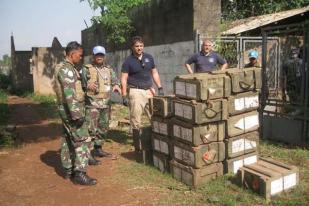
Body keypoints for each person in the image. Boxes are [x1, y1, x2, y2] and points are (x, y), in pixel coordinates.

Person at [54, 41, 96, 185]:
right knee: (82, 139)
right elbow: (69, 94)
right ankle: (80, 173)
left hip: (66, 109)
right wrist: (76, 114)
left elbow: (75, 88)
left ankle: (68, 170)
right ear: (72, 54)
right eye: (79, 55)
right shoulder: (67, 70)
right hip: (71, 109)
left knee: (67, 138)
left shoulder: (68, 68)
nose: (81, 57)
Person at [121, 36, 163, 152]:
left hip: (149, 90)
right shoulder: (128, 61)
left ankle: (156, 142)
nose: (139, 48)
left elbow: (154, 72)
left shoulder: (149, 57)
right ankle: (138, 147)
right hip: (136, 91)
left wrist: (159, 87)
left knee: (154, 116)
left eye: (141, 46)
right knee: (136, 119)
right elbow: (124, 78)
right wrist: (124, 95)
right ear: (132, 47)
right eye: (137, 46)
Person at [82, 45, 120, 161]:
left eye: (101, 55)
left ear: (104, 56)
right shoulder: (86, 68)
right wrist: (87, 85)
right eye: (97, 55)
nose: (99, 57)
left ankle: (98, 149)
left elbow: (115, 81)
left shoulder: (109, 69)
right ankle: (87, 154)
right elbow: (79, 84)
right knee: (91, 129)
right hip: (92, 105)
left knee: (103, 128)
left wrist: (117, 86)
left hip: (106, 104)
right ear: (93, 56)